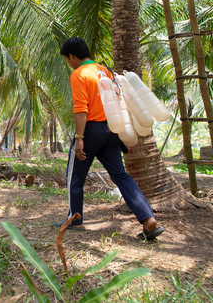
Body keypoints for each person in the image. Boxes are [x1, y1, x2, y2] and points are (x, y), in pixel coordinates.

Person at [59, 37, 164, 240]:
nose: (68, 63)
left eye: (67, 59)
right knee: (120, 175)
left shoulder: (78, 74)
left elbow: (81, 110)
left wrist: (79, 138)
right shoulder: (105, 71)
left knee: (75, 177)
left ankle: (76, 220)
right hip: (113, 129)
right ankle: (148, 219)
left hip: (91, 131)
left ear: (72, 56)